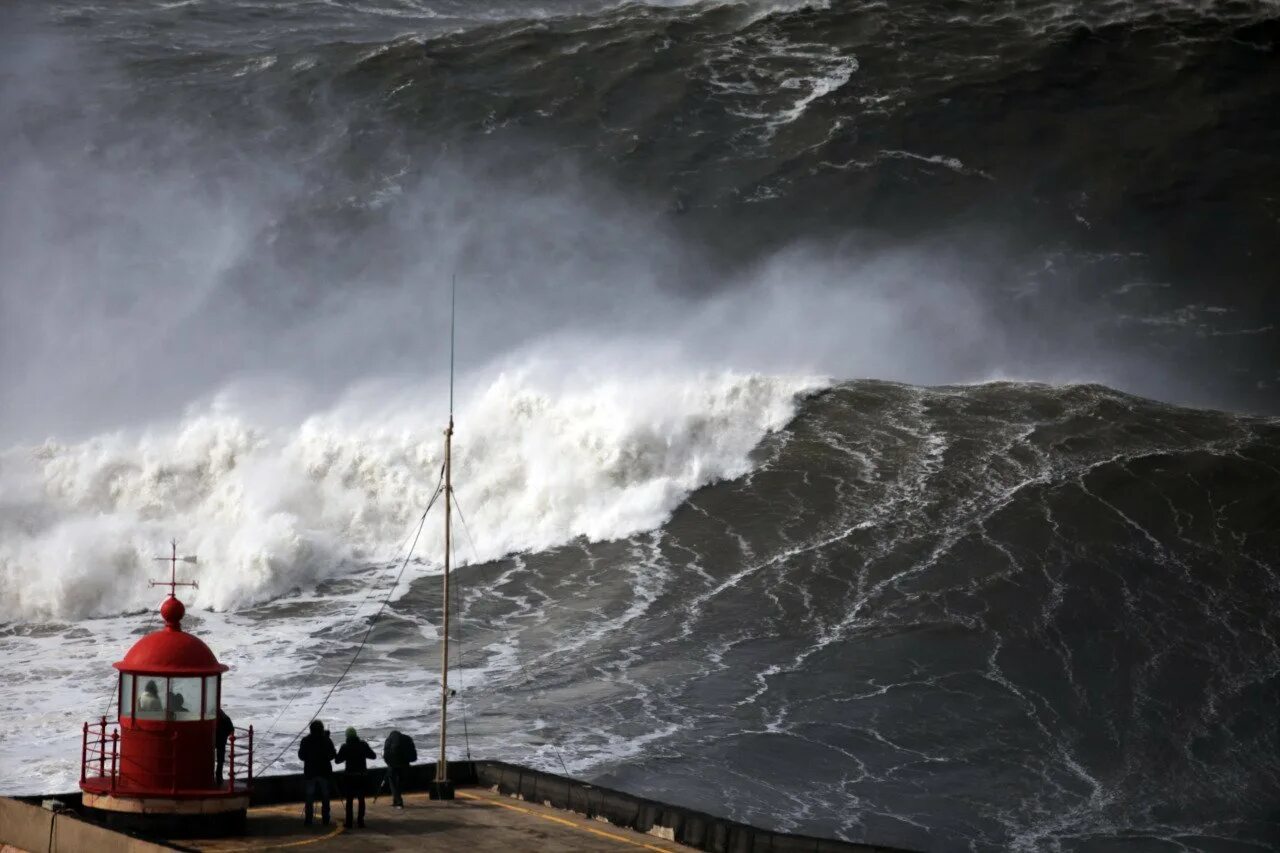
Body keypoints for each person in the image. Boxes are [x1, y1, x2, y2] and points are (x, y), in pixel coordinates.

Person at [334, 727, 376, 829]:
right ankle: (361, 822)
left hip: (350, 777)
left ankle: (349, 823)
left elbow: (337, 761)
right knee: (361, 800)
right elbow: (373, 756)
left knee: (349, 801)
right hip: (362, 776)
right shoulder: (363, 745)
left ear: (347, 736)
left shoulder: (345, 746)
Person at [298, 720, 336, 826]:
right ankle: (326, 818)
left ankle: (308, 819)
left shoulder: (305, 740)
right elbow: (332, 755)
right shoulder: (326, 740)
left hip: (310, 772)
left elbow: (301, 756)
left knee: (309, 796)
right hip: (324, 772)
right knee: (325, 796)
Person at [382, 729, 417, 808]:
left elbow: (385, 755)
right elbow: (412, 753)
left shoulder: (389, 740)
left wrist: (388, 763)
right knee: (399, 783)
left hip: (392, 765)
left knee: (393, 783)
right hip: (405, 764)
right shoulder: (407, 739)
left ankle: (398, 802)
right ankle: (396, 801)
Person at [215, 708, 234, 785]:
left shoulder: (212, 716)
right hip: (221, 741)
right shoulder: (226, 718)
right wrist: (225, 735)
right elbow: (231, 730)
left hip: (211, 740)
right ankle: (219, 777)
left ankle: (209, 775)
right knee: (220, 760)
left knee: (209, 758)